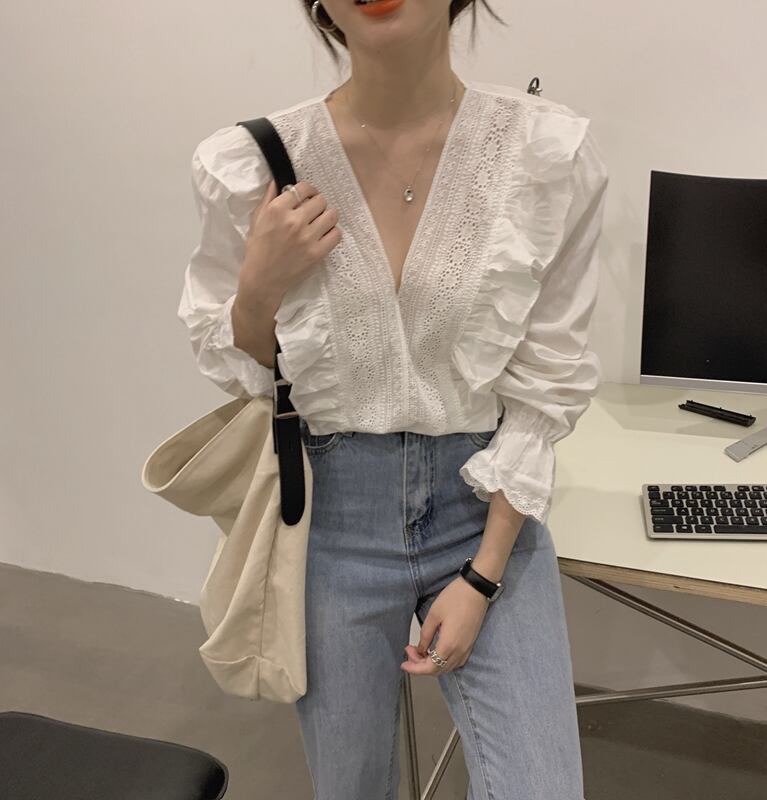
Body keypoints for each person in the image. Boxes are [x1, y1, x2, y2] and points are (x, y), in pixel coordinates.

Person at [178, 1, 609, 796]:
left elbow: (546, 385)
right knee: (352, 788)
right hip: (330, 517)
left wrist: (482, 575)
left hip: (484, 508)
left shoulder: (543, 154)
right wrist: (259, 287)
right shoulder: (251, 162)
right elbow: (244, 370)